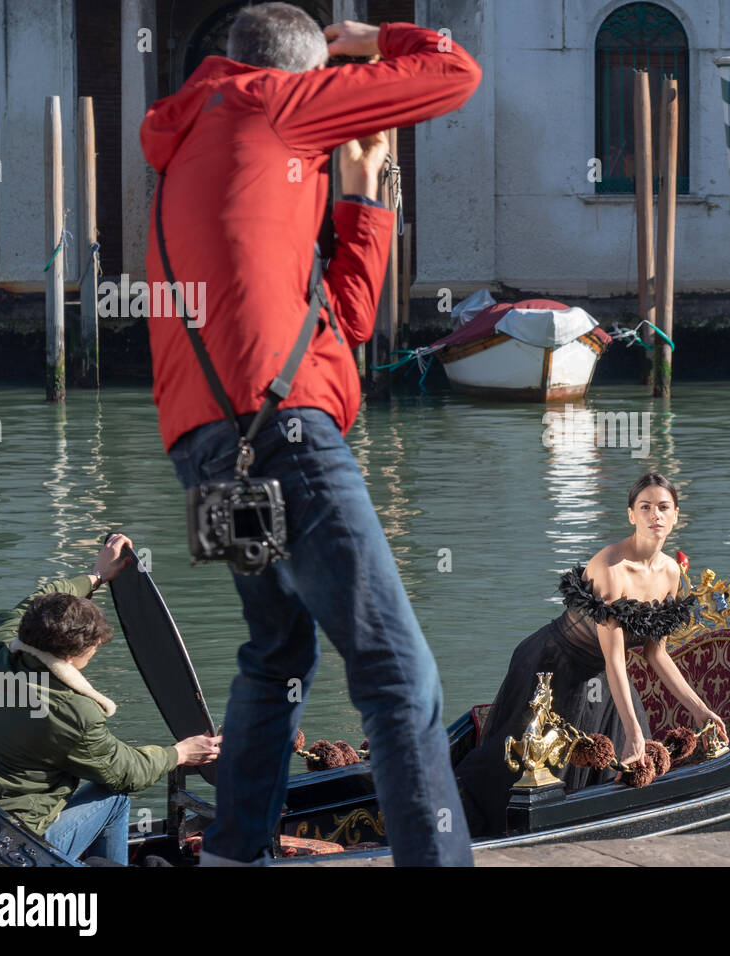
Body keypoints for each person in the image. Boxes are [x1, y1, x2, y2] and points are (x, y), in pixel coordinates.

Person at [141, 6, 481, 865]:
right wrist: (375, 42)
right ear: (303, 79)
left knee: (277, 653)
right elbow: (454, 73)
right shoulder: (273, 105)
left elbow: (346, 325)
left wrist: (360, 199)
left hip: (211, 458)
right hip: (283, 441)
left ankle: (232, 852)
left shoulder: (191, 144)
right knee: (400, 677)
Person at [455, 473, 728, 837]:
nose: (655, 516)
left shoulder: (671, 573)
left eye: (663, 507)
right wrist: (632, 732)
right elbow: (616, 658)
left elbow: (655, 653)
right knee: (519, 766)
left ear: (676, 514)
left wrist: (700, 709)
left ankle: (587, 831)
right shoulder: (610, 567)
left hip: (601, 674)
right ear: (631, 515)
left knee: (623, 763)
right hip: (553, 666)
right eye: (645, 507)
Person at [0, 534, 220, 865]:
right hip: (11, 849)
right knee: (115, 794)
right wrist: (179, 753)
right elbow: (127, 771)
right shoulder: (75, 713)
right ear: (77, 654)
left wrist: (97, 575)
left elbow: (37, 599)